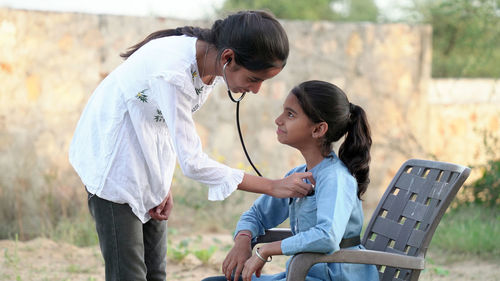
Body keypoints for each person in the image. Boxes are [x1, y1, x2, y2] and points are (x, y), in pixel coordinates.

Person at [68, 10, 314, 281]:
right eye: (254, 79)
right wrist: (273, 186)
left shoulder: (208, 64)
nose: (256, 90)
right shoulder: (173, 72)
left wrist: (160, 181)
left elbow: (165, 126)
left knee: (156, 273)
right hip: (114, 163)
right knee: (129, 274)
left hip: (146, 162)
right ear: (228, 58)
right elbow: (193, 162)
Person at [203, 80, 379, 281]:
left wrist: (267, 250)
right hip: (301, 274)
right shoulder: (298, 176)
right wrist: (243, 240)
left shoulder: (336, 178)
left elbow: (327, 237)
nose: (278, 120)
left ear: (318, 130)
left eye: (290, 114)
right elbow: (256, 215)